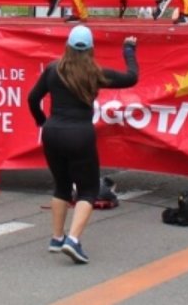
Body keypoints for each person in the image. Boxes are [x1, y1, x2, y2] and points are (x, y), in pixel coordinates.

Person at [27, 25, 138, 264]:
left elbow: (32, 98)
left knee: (62, 186)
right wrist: (129, 50)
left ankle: (57, 237)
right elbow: (131, 77)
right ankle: (73, 240)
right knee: (88, 190)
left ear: (67, 46)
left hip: (52, 133)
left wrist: (42, 121)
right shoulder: (96, 73)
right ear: (91, 49)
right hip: (80, 134)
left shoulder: (53, 69)